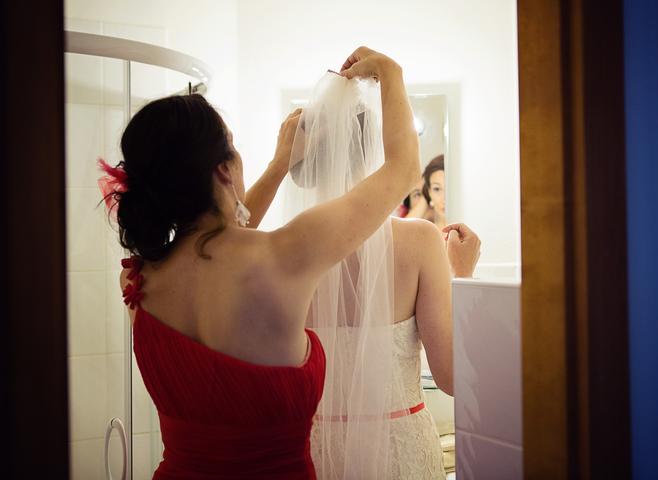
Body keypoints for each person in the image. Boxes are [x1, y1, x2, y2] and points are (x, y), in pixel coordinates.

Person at [100, 46, 420, 479]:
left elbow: (215, 240)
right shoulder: (284, 255)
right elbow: (403, 169)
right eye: (233, 148)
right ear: (223, 169)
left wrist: (278, 164)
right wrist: (389, 70)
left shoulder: (137, 280)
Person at [285, 66, 481, 479]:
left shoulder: (283, 248)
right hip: (400, 450)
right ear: (373, 150)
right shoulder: (420, 240)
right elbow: (452, 379)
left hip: (314, 451)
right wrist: (461, 275)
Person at [422, 155, 446, 229]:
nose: (444, 199)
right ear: (429, 192)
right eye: (437, 189)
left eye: (449, 189)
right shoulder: (422, 232)